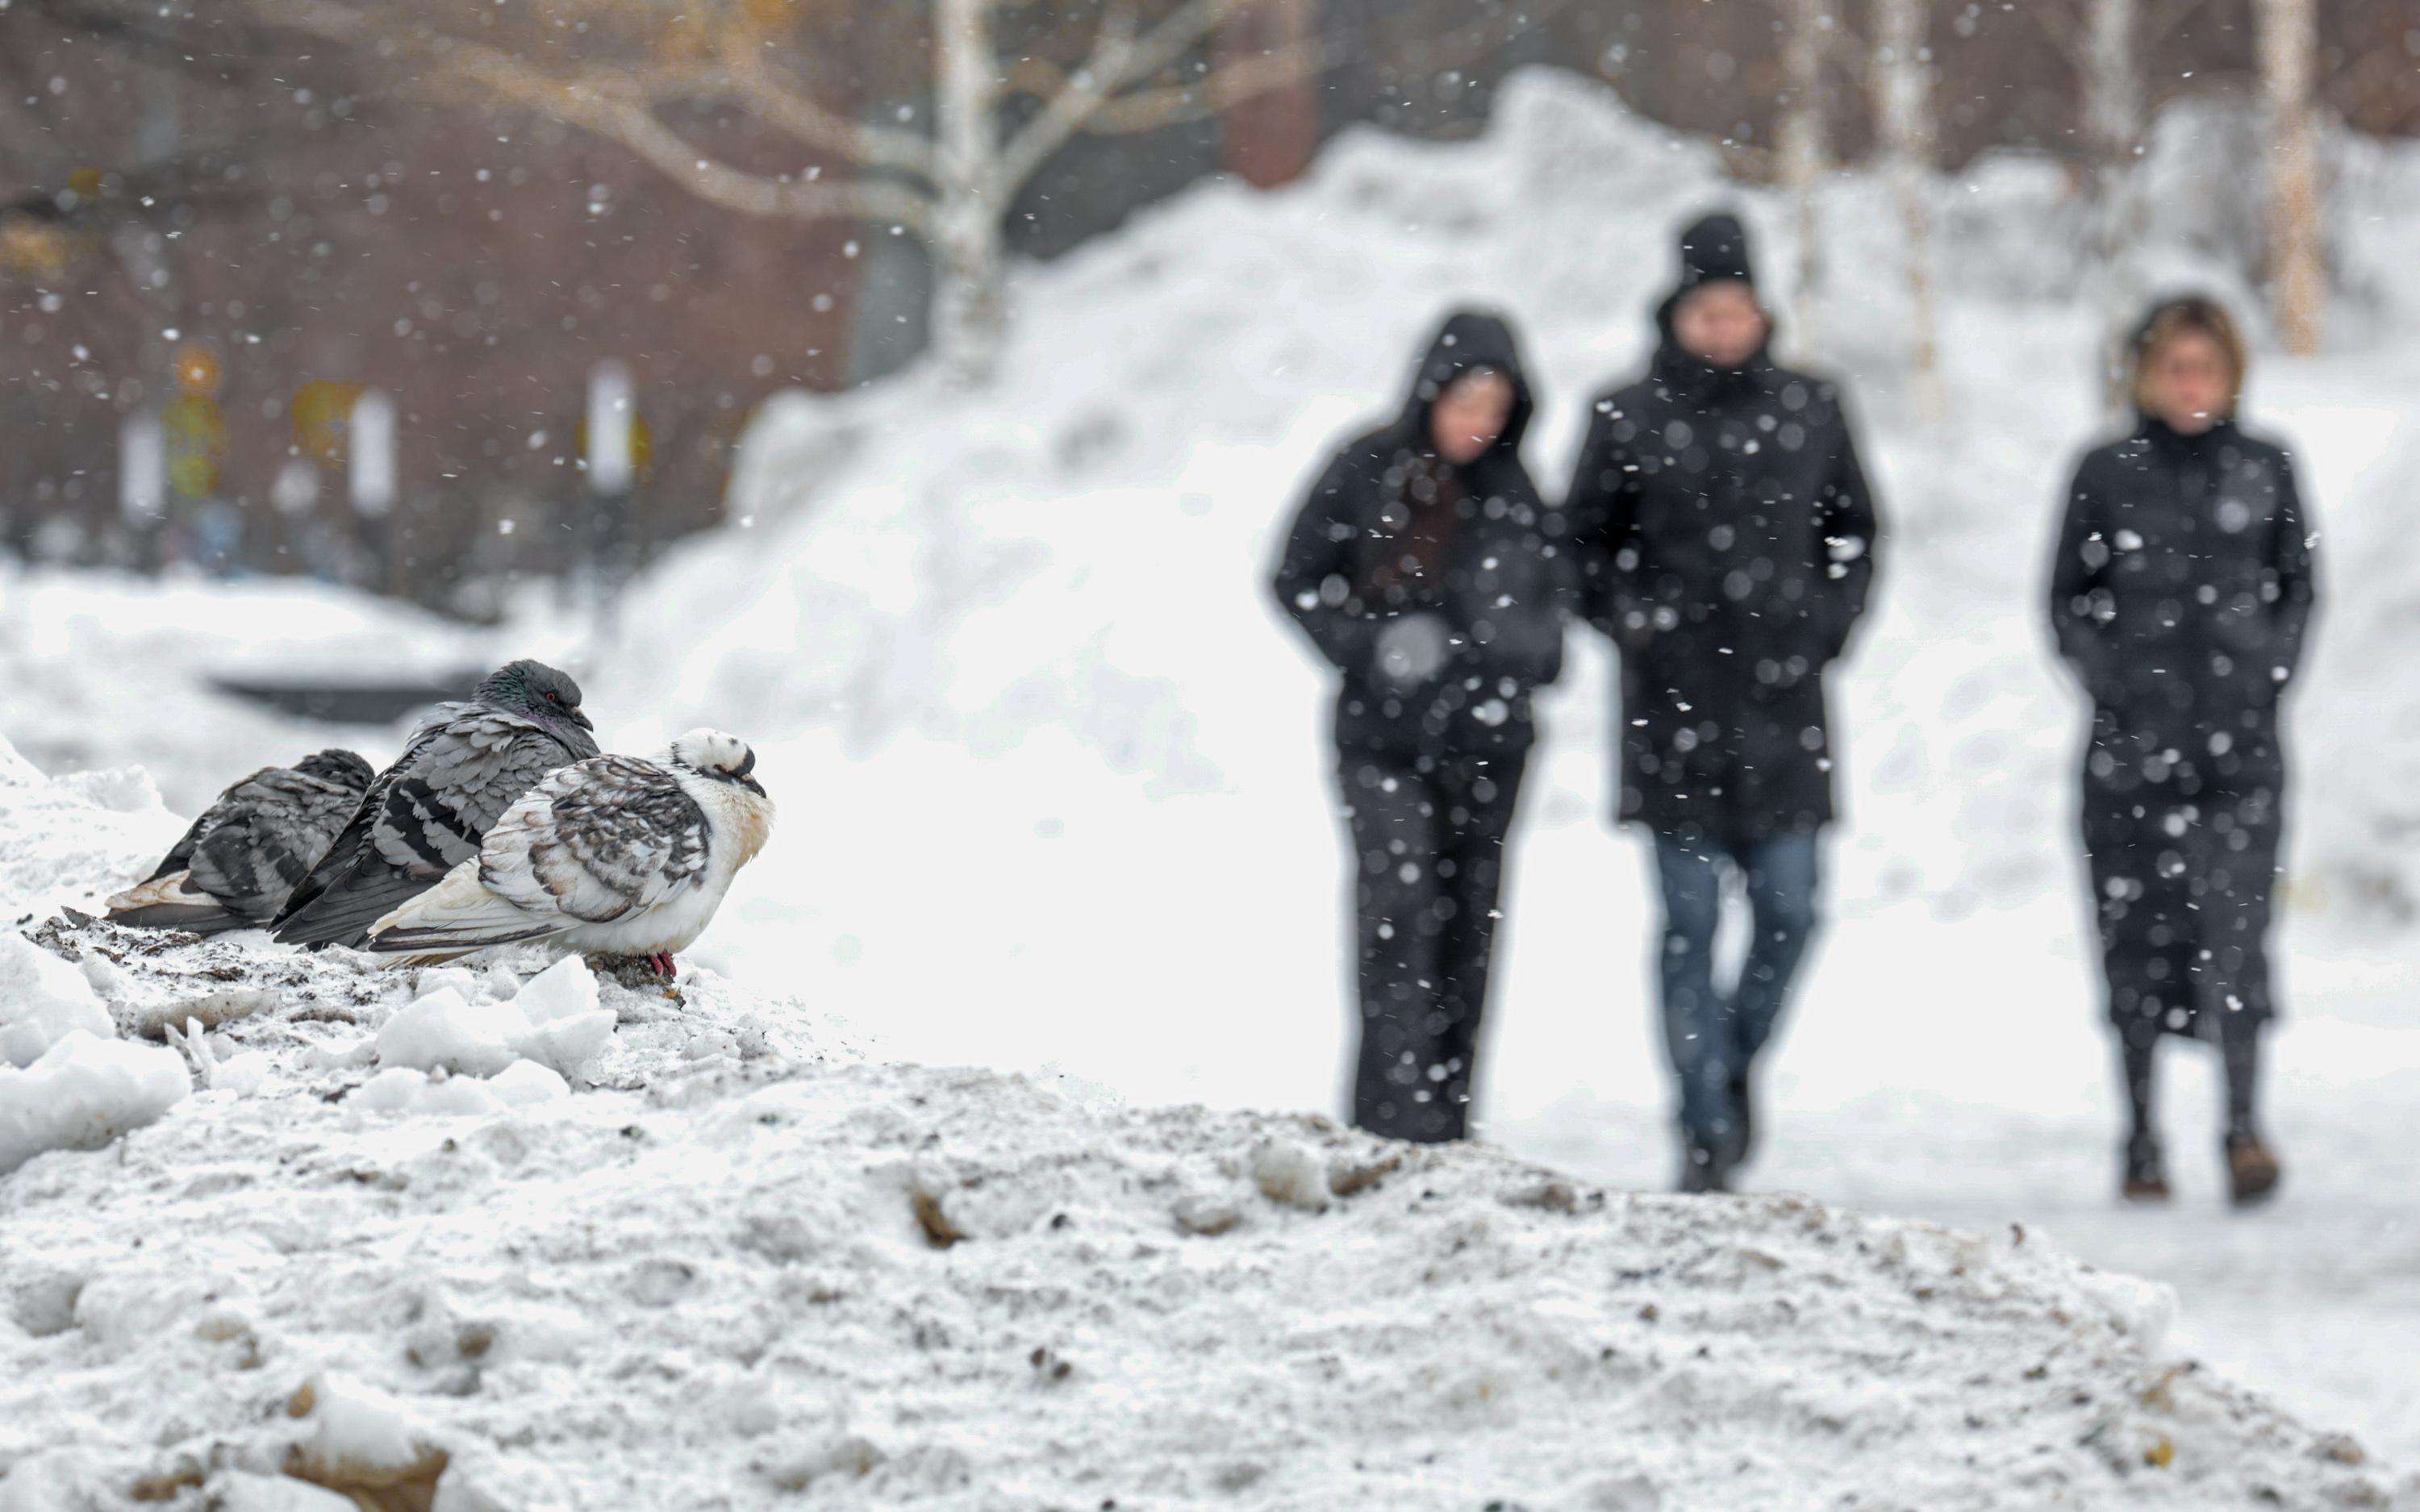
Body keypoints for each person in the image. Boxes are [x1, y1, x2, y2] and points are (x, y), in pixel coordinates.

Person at [1565, 212, 1880, 1193]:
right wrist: (1636, 622)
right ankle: (1700, 1122)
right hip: (1673, 715)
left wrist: (1824, 623)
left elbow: (1859, 532)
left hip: (1786, 711)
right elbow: (1577, 549)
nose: (1724, 326)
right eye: (1707, 309)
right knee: (1689, 924)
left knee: (1794, 912)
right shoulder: (1625, 417)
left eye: (1739, 308)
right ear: (1677, 311)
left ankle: (1733, 1063)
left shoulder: (1814, 408)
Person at [1272, 310, 1568, 1143]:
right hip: (1383, 743)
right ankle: (1389, 1121)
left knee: (1470, 926)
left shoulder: (1519, 497)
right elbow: (1294, 577)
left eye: (1496, 405)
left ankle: (1445, 1120)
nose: (1479, 420)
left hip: (1491, 747)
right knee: (1401, 913)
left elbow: (1553, 621)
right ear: (1431, 392)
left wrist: (1512, 660)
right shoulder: (1367, 471)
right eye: (1466, 399)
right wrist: (1372, 646)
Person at [2047, 295, 2315, 1207]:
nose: (2191, 385)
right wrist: (2114, 682)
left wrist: (2264, 676)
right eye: (2175, 367)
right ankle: (2141, 1137)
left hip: (2242, 755)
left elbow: (2299, 590)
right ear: (2147, 374)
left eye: (2207, 368)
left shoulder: (2267, 466)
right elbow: (2065, 600)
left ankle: (2242, 1128)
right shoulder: (2105, 472)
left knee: (2236, 938)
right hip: (2130, 754)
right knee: (2136, 940)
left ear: (2233, 374)